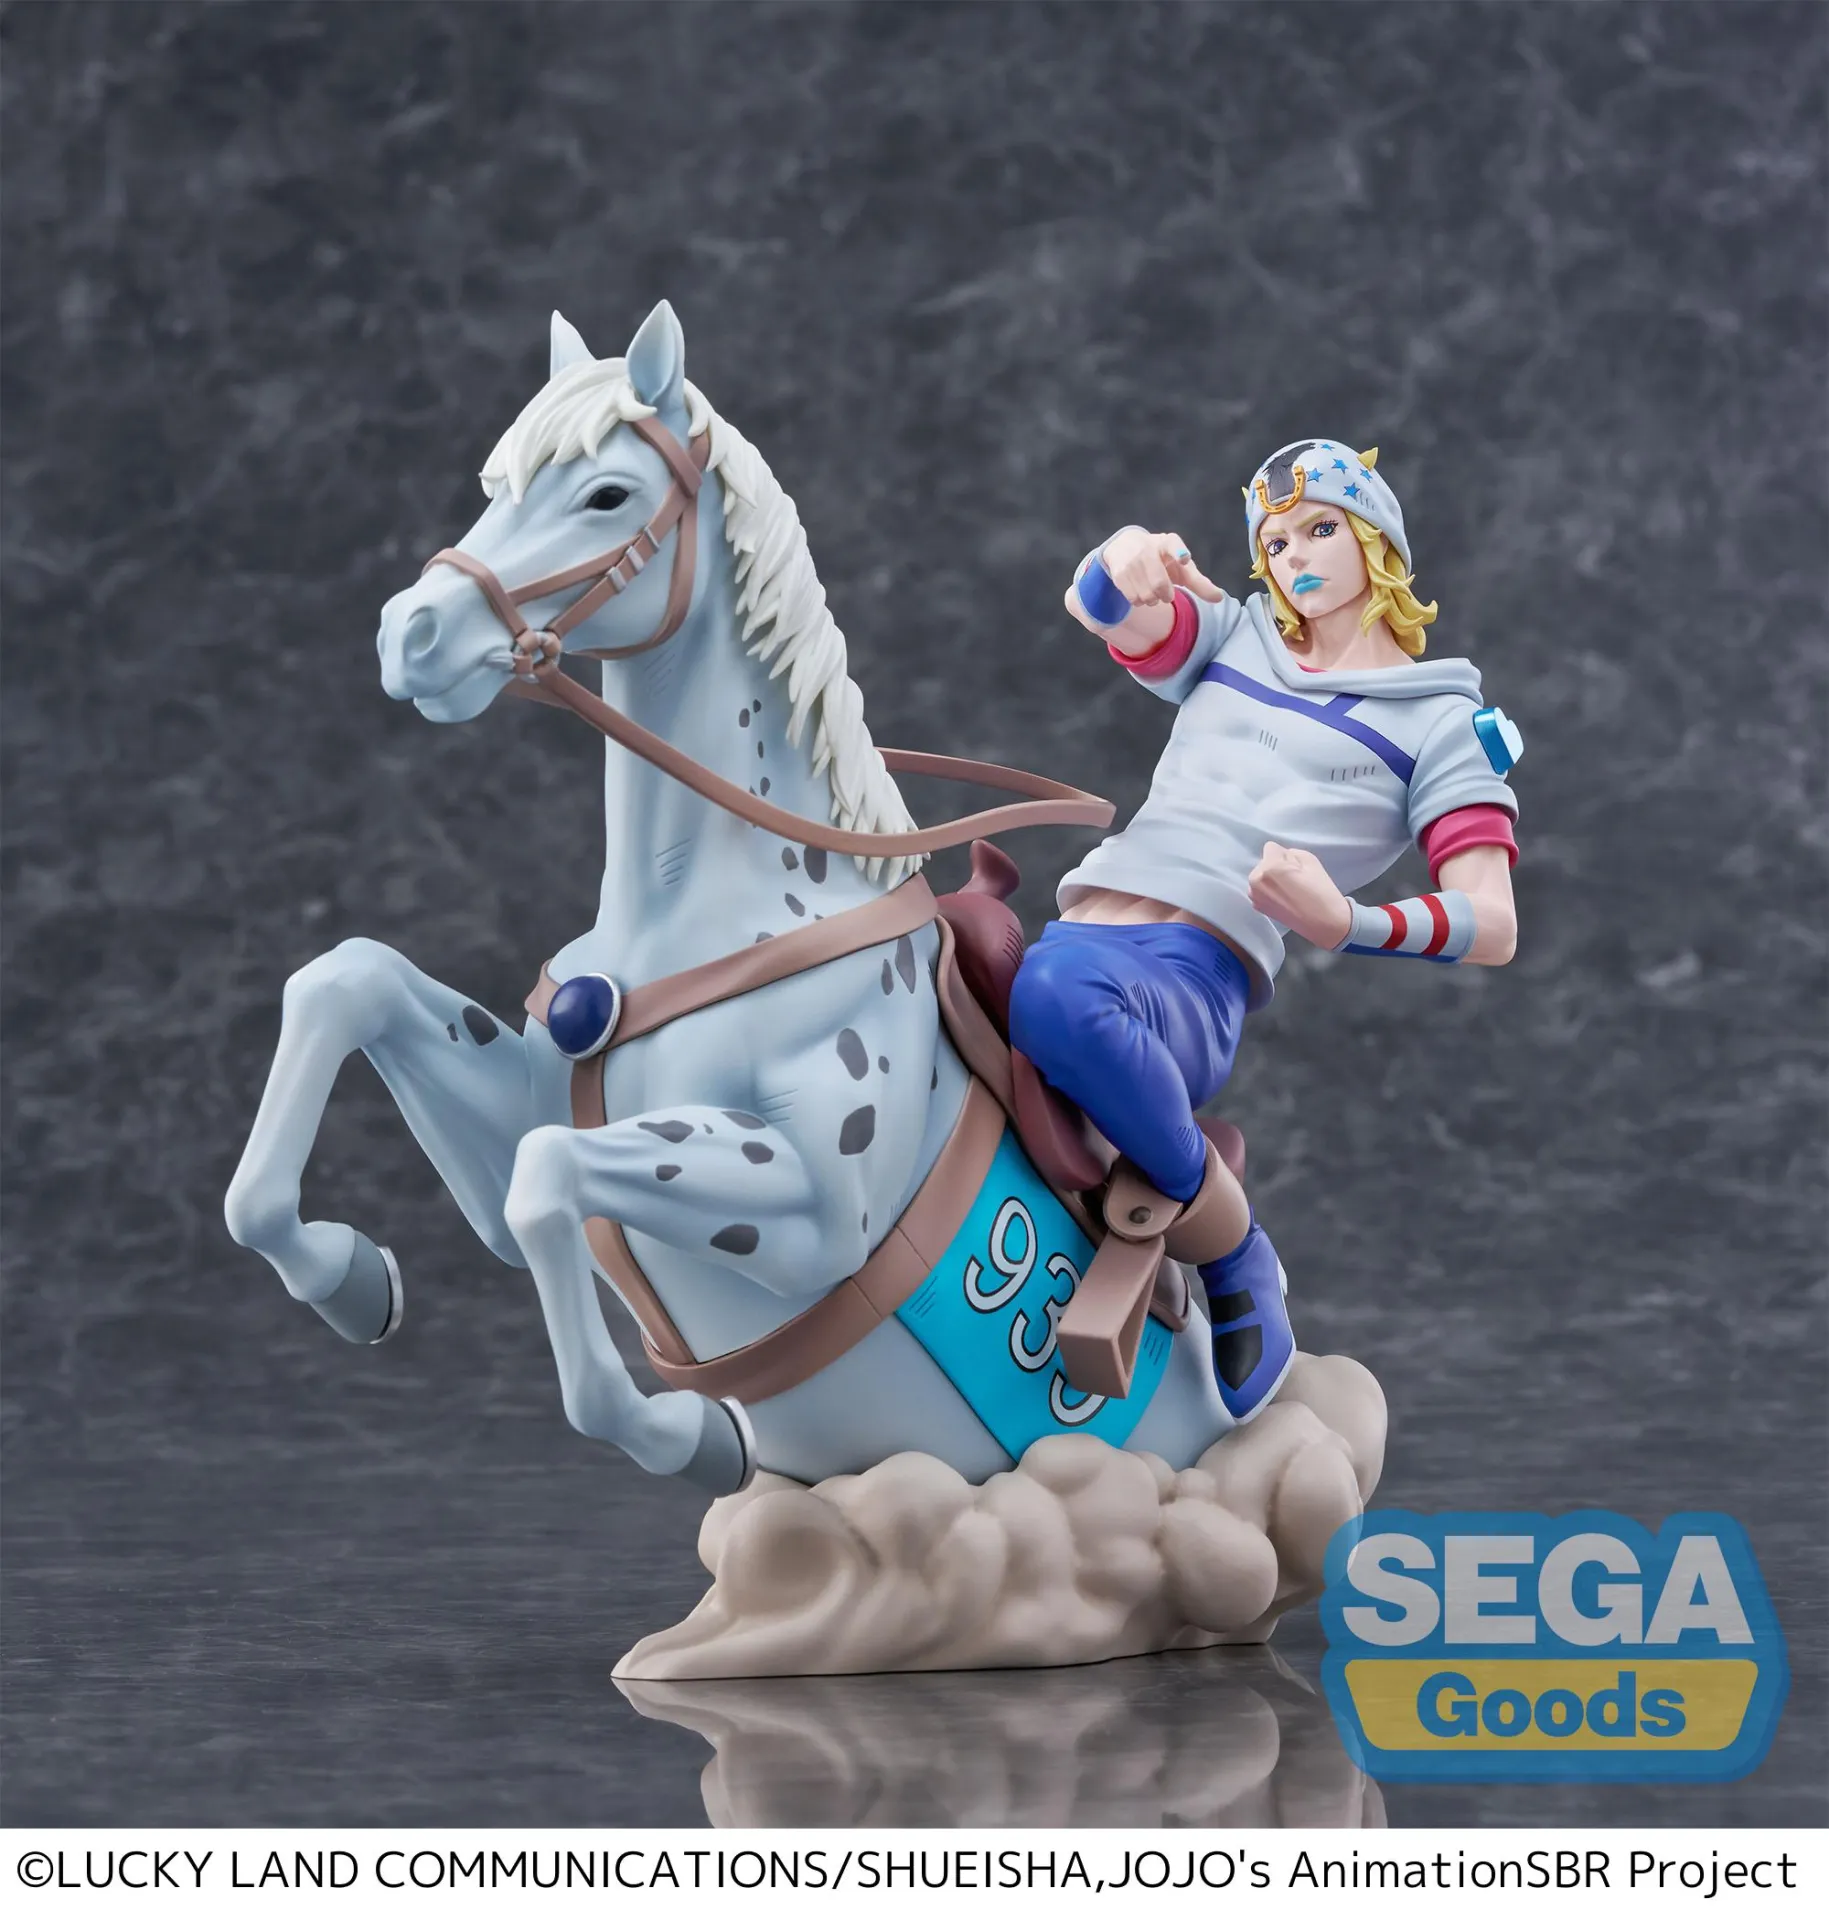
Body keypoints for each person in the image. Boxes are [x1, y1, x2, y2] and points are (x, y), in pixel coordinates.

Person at [1008, 440, 1521, 1421]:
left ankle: (1229, 1244)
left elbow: (1489, 921)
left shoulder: (1443, 725)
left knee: (1055, 999)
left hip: (1184, 979)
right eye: (1275, 542)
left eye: (1320, 528)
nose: (1295, 556)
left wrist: (1344, 919)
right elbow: (1103, 607)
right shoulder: (1234, 637)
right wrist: (1122, 555)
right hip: (1078, 924)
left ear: (1376, 541)